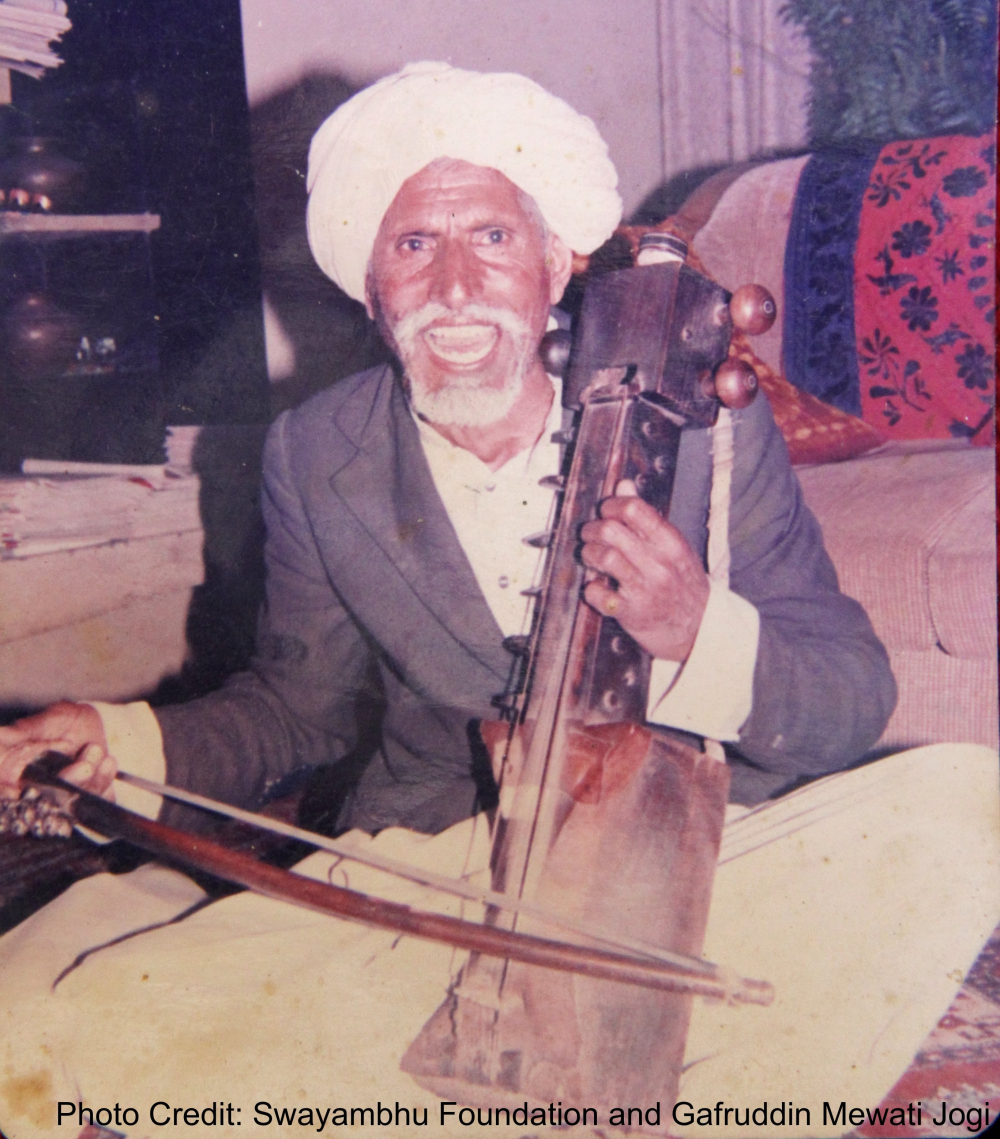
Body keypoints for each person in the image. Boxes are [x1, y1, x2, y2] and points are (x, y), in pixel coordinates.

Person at [0, 63, 996, 1139]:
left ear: (559, 264)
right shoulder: (314, 451)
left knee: (959, 808)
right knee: (105, 1025)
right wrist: (120, 735)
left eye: (493, 239)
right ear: (369, 283)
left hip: (690, 856)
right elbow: (300, 708)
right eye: (412, 245)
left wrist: (698, 630)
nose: (454, 287)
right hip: (443, 862)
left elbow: (851, 692)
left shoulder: (701, 421)